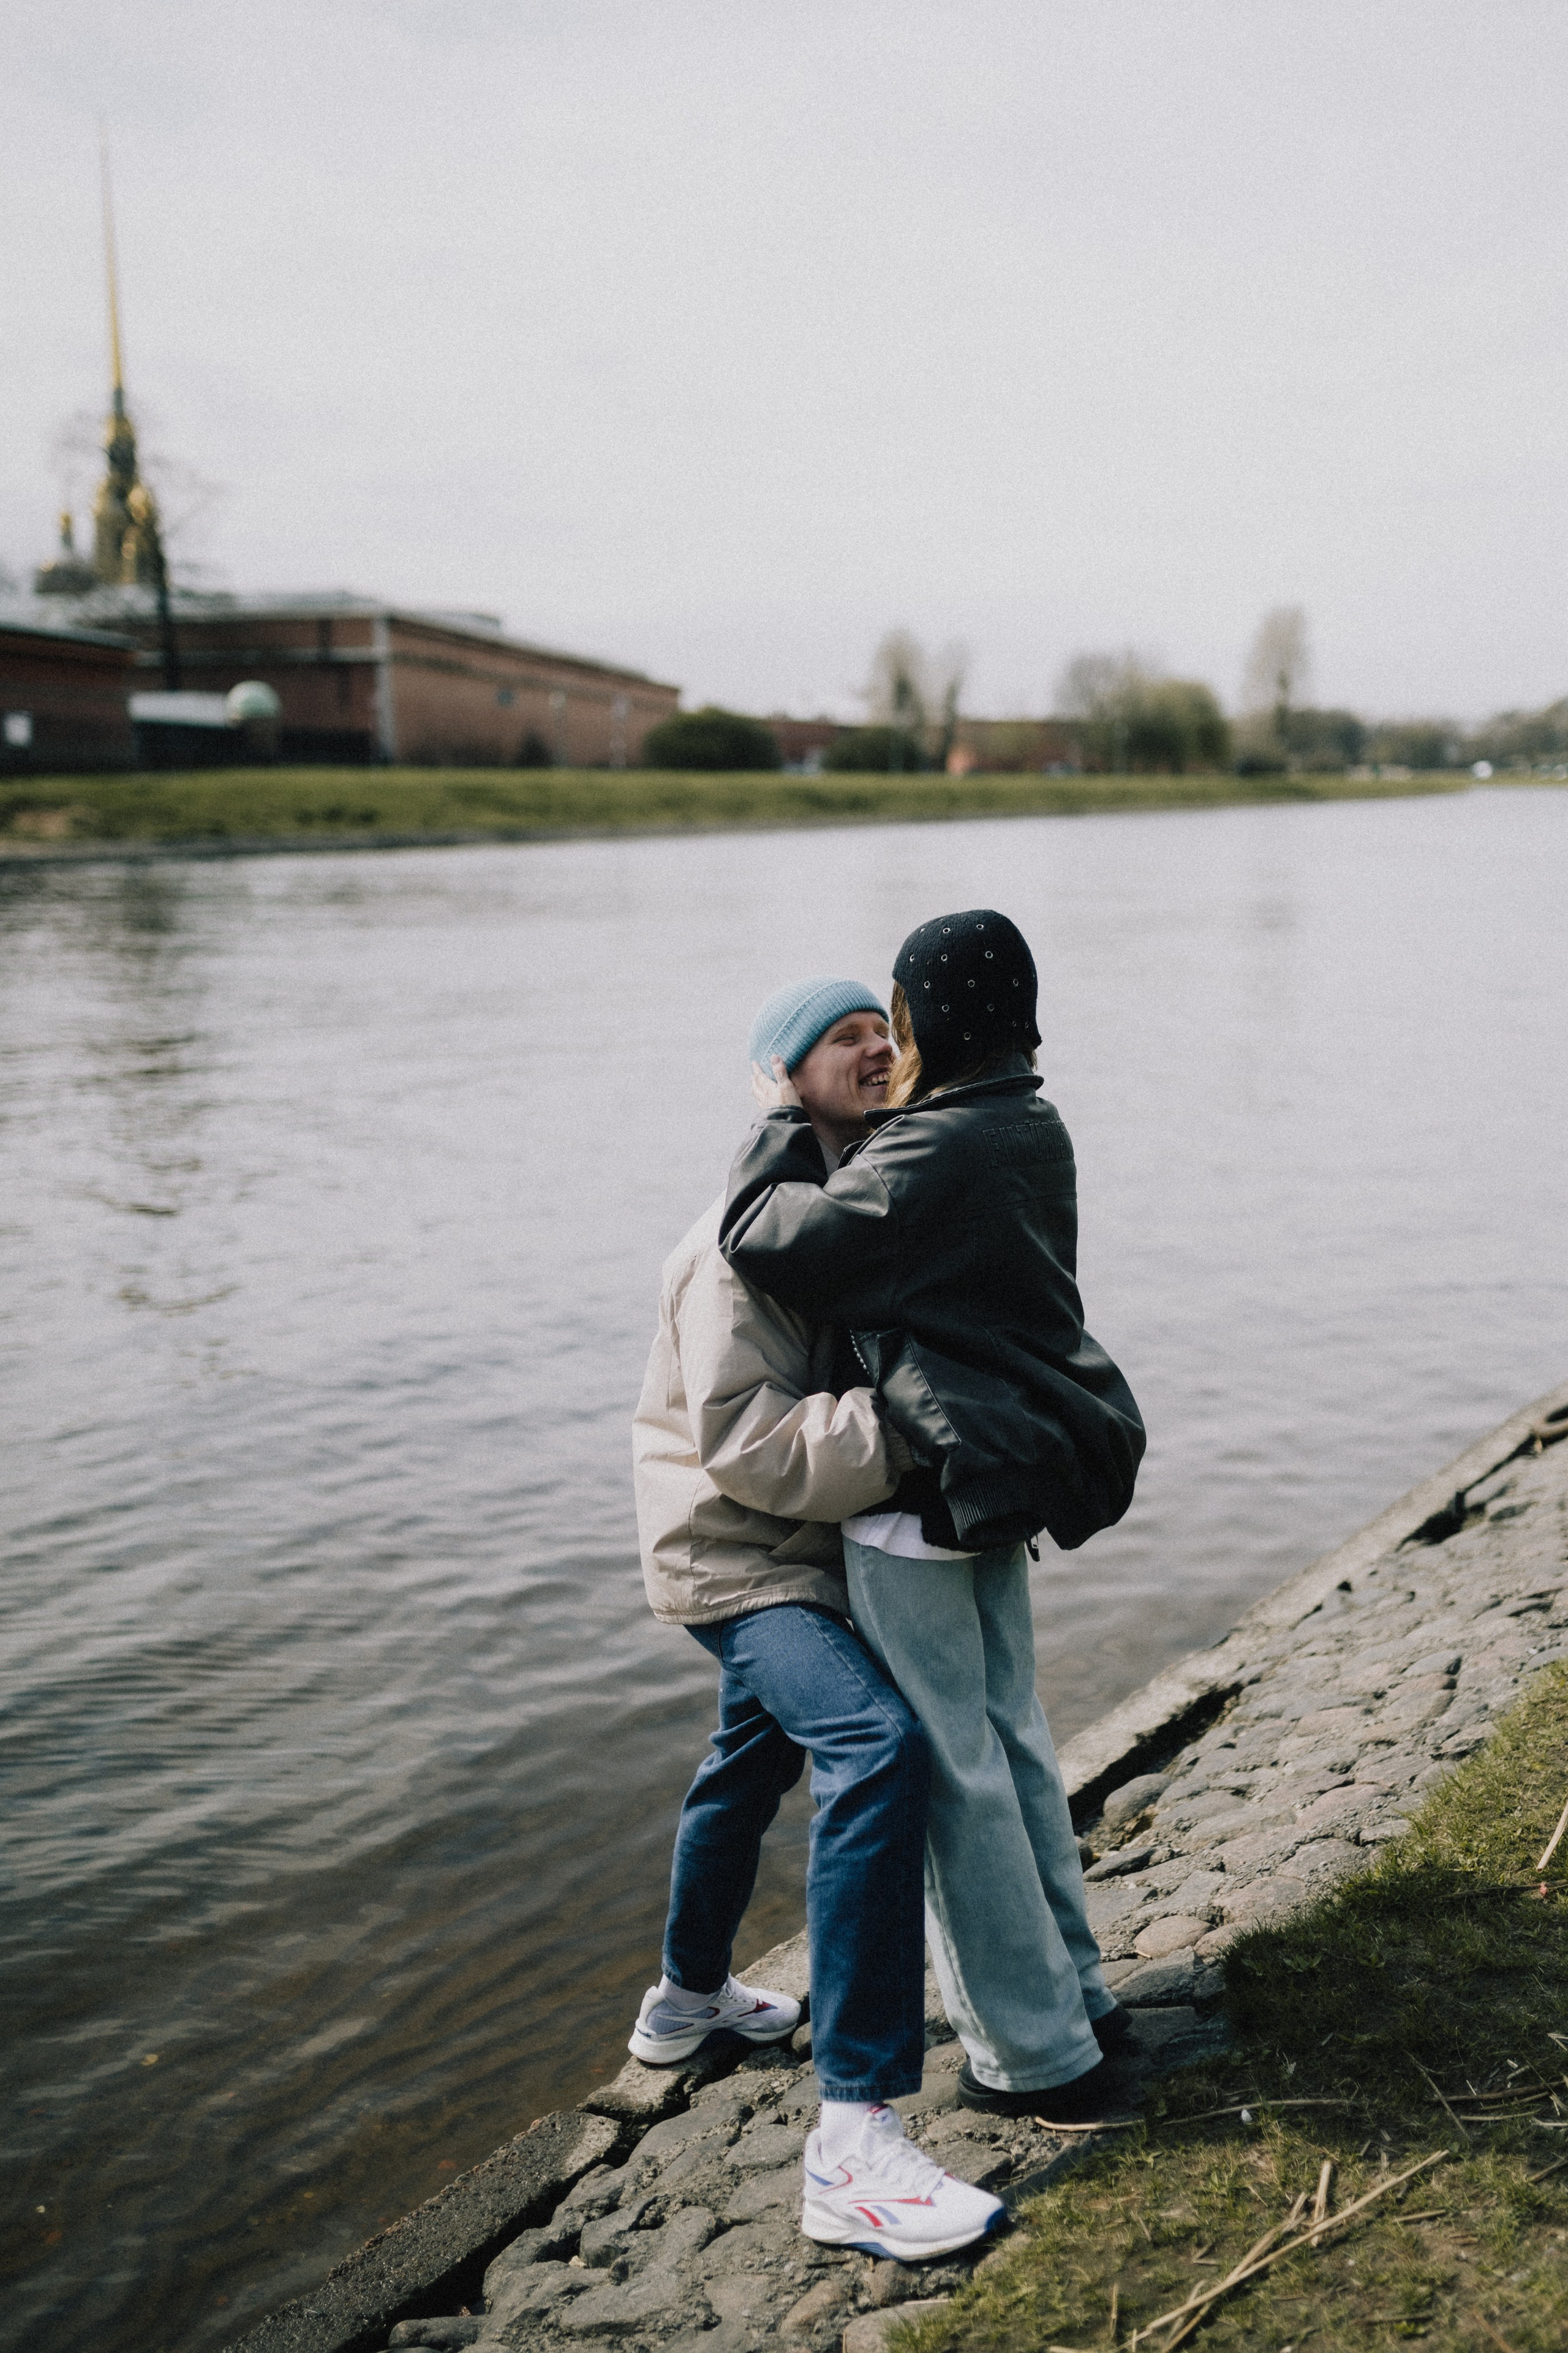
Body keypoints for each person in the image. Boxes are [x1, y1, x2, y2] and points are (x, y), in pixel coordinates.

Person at [720, 910, 1147, 2125]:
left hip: (920, 1497)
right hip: (998, 1480)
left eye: (890, 1019)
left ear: (930, 1021)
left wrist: (773, 1115)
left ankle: (1033, 2057)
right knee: (1010, 1743)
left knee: (957, 1776)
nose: (881, 1044)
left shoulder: (931, 1147)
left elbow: (768, 1238)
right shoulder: (1025, 1115)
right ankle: (1077, 1995)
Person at [630, 974, 1005, 2261]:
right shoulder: (734, 1242)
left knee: (750, 1756)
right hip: (738, 1555)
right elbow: (743, 1446)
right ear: (778, 1080)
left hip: (802, 1541)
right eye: (837, 1036)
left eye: (881, 1031)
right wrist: (913, 1430)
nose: (870, 1046)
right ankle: (852, 2140)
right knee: (872, 1746)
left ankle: (684, 2003)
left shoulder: (851, 1207)